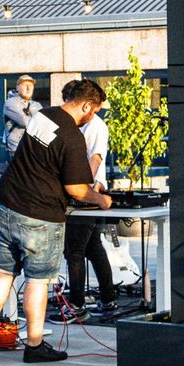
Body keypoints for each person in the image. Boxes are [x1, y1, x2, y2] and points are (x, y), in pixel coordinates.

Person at [0, 78, 112, 363]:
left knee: (3, 272)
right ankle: (34, 345)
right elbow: (75, 189)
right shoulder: (73, 137)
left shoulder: (42, 115)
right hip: (39, 215)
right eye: (94, 110)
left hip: (8, 203)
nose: (94, 116)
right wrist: (101, 199)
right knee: (37, 281)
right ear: (86, 105)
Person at [53, 80, 117, 324]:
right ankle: (108, 297)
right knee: (93, 249)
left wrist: (84, 188)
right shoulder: (77, 125)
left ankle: (76, 305)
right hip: (84, 192)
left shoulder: (96, 127)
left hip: (87, 193)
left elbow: (95, 159)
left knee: (75, 252)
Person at [3, 74, 42, 155]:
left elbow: (44, 123)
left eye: (31, 85)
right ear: (17, 87)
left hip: (34, 148)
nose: (28, 88)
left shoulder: (36, 104)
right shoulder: (11, 102)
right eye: (25, 85)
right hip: (17, 149)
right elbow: (24, 121)